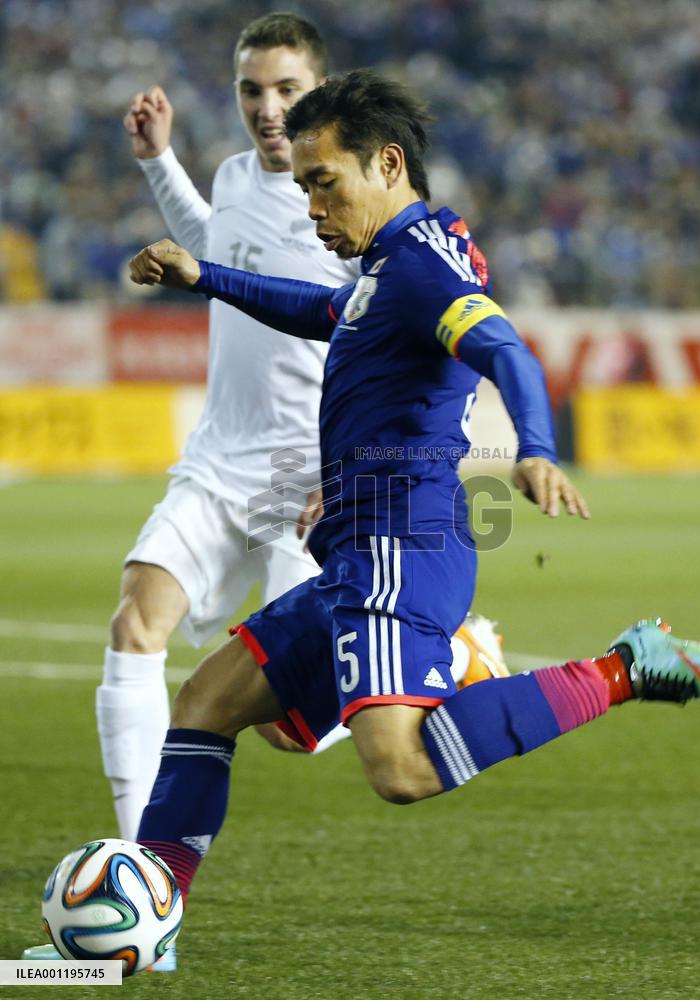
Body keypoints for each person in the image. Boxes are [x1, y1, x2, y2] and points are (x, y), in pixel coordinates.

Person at [125, 69, 700, 917]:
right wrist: (209, 277)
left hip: (399, 544)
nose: (311, 207)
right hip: (355, 548)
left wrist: (537, 449)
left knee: (402, 768)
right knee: (211, 703)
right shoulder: (395, 261)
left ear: (385, 164)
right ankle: (148, 921)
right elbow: (329, 311)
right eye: (303, 187)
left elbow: (507, 350)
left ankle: (625, 668)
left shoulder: (422, 270)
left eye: (324, 183)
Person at [96, 12, 508, 852]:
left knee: (293, 726)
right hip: (219, 455)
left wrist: (375, 466)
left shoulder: (356, 214)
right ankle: (139, 869)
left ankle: (458, 653)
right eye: (252, 89)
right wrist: (158, 165)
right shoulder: (240, 175)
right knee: (137, 627)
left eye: (287, 89)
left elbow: (409, 337)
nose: (268, 107)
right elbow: (223, 245)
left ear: (318, 95)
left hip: (305, 471)